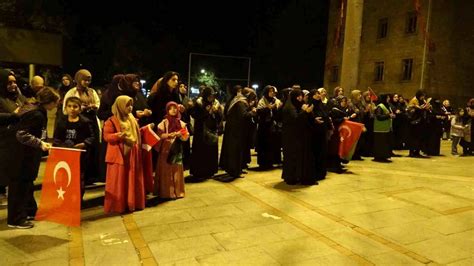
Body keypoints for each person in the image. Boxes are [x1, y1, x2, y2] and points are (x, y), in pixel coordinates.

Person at [8, 87, 58, 229]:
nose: (56, 106)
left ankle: (28, 211)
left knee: (26, 185)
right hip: (22, 156)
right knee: (19, 187)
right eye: (55, 102)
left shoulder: (33, 109)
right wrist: (40, 143)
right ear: (49, 102)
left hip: (23, 155)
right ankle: (15, 219)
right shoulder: (37, 114)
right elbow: (22, 134)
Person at [103, 96, 145, 213]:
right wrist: (117, 136)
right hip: (119, 154)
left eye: (131, 105)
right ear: (120, 106)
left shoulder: (132, 118)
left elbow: (136, 132)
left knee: (131, 178)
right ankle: (118, 205)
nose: (130, 108)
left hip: (132, 151)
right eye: (127, 105)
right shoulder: (111, 120)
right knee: (119, 180)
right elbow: (106, 136)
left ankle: (131, 203)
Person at [63, 69, 101, 183]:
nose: (87, 83)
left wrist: (94, 106)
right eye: (84, 80)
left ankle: (91, 176)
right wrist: (80, 108)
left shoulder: (92, 91)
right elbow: (65, 109)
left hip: (92, 120)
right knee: (81, 147)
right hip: (78, 122)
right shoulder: (72, 92)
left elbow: (98, 103)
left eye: (89, 80)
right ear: (78, 80)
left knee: (92, 147)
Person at [53, 97, 95, 199]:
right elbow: (56, 138)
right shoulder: (61, 122)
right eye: (69, 106)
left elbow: (92, 137)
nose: (72, 109)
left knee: (79, 177)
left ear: (80, 109)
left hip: (80, 155)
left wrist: (84, 143)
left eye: (75, 107)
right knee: (65, 176)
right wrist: (62, 146)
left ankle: (78, 198)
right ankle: (66, 197)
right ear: (66, 108)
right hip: (65, 154)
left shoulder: (85, 122)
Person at [0, 69, 27, 205]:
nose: (13, 85)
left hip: (17, 140)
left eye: (14, 82)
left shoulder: (18, 96)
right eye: (9, 82)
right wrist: (13, 116)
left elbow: (27, 106)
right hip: (3, 140)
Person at [219, 85, 256, 182]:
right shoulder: (240, 103)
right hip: (235, 132)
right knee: (235, 152)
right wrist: (252, 112)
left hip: (235, 131)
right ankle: (235, 171)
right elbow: (243, 116)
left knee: (237, 151)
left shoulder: (239, 101)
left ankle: (237, 170)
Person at [281, 89, 316, 185]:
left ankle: (294, 176)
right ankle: (290, 177)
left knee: (295, 157)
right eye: (298, 96)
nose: (300, 98)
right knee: (290, 157)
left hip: (295, 136)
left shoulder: (295, 105)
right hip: (290, 137)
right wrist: (304, 111)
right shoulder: (290, 107)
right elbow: (295, 120)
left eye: (301, 95)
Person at [154, 101, 189, 199]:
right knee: (166, 170)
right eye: (171, 108)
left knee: (177, 169)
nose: (173, 110)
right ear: (167, 110)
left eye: (175, 108)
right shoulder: (164, 123)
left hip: (177, 149)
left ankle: (178, 192)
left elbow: (186, 135)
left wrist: (181, 135)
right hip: (166, 149)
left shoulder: (181, 123)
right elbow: (159, 135)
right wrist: (169, 135)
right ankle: (167, 192)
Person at [189, 87, 223, 181]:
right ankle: (199, 172)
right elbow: (194, 115)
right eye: (210, 96)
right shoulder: (199, 103)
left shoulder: (216, 103)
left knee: (211, 152)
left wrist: (216, 112)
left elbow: (220, 118)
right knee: (201, 152)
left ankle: (210, 171)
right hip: (201, 132)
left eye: (213, 96)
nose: (211, 98)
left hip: (212, 131)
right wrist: (206, 111)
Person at [256, 85, 283, 169]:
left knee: (271, 145)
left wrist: (275, 108)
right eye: (270, 91)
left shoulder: (275, 100)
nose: (272, 93)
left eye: (273, 91)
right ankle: (263, 163)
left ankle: (270, 162)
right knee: (263, 145)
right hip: (264, 127)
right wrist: (268, 108)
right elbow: (259, 112)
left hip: (272, 126)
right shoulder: (262, 101)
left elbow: (276, 114)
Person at [373, 94, 395, 162]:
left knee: (385, 143)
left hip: (386, 128)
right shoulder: (380, 106)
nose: (389, 99)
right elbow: (379, 116)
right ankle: (379, 157)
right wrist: (388, 116)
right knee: (381, 144)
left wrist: (392, 115)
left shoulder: (387, 106)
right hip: (380, 129)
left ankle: (384, 156)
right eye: (387, 97)